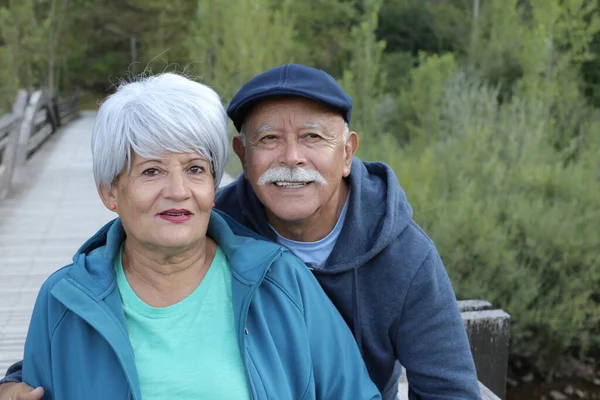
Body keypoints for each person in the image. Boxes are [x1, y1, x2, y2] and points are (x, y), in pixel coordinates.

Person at [1, 64, 481, 399]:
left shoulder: (379, 261)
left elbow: (447, 390)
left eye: (313, 137)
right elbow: (68, 348)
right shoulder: (209, 219)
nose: (178, 192)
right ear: (243, 159)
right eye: (270, 139)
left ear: (348, 152)